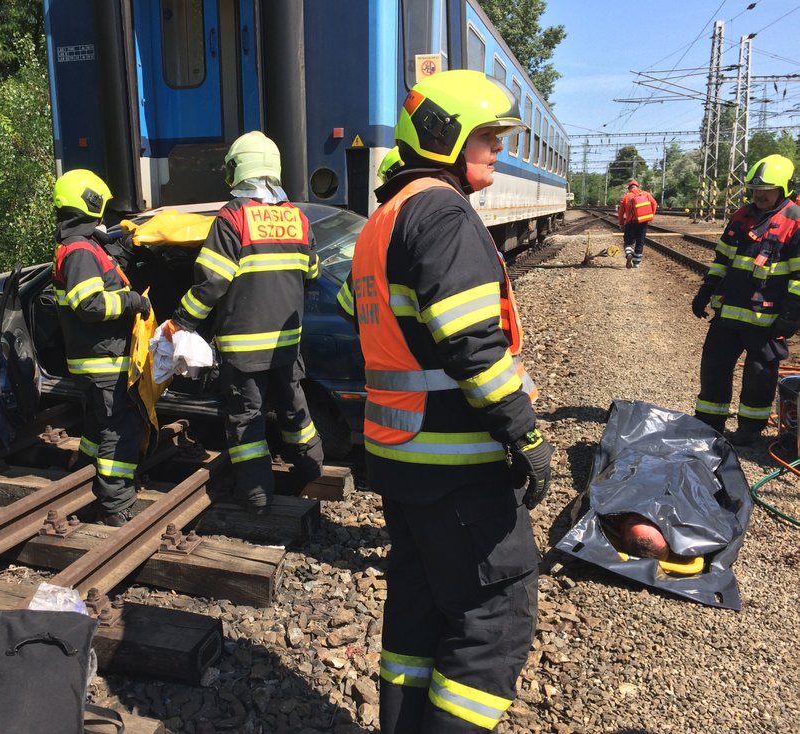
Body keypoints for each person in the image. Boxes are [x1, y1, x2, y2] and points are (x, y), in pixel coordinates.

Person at [336, 70, 552, 733]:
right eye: (488, 135)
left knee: (419, 617)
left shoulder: (385, 219)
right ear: (446, 135)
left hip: (404, 461)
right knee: (496, 621)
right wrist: (527, 434)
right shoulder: (442, 212)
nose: (497, 148)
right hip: (455, 464)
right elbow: (473, 349)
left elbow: (356, 310)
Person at [162, 131, 323, 513]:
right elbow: (312, 272)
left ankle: (255, 497)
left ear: (238, 171)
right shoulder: (298, 220)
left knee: (246, 422)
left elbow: (211, 284)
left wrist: (181, 322)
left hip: (243, 350)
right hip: (287, 346)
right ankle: (312, 466)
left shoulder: (232, 219)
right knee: (294, 410)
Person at [52, 169, 151, 526]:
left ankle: (85, 478)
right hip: (102, 359)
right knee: (119, 429)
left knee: (96, 429)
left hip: (95, 360)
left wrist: (120, 243)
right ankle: (115, 504)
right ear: (90, 202)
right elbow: (90, 304)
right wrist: (132, 302)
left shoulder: (83, 245)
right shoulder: (79, 251)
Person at [692, 153, 800, 447]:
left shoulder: (796, 221)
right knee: (714, 366)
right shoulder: (742, 216)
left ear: (784, 188)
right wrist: (706, 290)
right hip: (729, 313)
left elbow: (799, 277)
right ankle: (709, 423)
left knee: (759, 375)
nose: (758, 195)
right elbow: (722, 259)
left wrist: (792, 314)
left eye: (765, 190)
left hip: (766, 319)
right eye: (754, 190)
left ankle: (750, 429)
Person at [617, 179, 658, 269]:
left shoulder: (626, 197)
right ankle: (636, 263)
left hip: (630, 222)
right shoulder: (646, 194)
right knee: (640, 241)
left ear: (629, 188)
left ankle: (629, 254)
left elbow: (620, 212)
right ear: (637, 186)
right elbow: (654, 204)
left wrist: (621, 223)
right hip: (643, 222)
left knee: (629, 240)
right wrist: (651, 215)